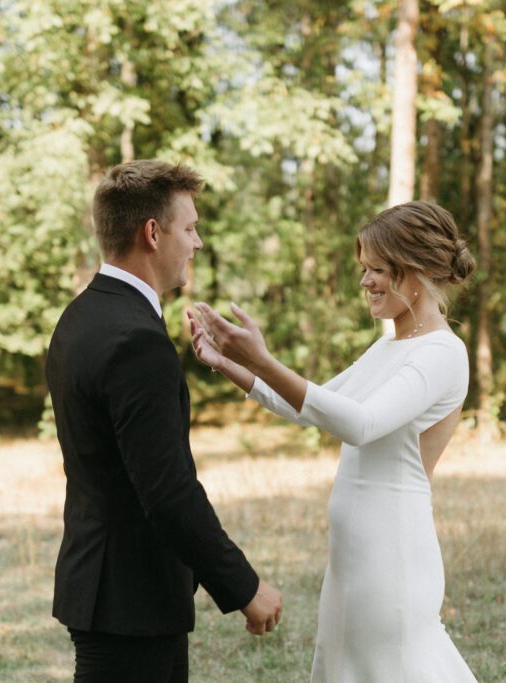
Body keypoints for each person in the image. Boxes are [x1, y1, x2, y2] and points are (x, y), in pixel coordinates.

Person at [190, 200, 478, 682]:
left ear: (421, 270)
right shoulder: (390, 344)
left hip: (393, 559)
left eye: (378, 270)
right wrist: (230, 364)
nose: (365, 282)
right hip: (353, 559)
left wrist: (262, 360)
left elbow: (359, 424)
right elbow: (310, 406)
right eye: (363, 269)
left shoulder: (442, 353)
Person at [46, 159, 282, 682]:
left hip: (101, 583)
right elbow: (167, 490)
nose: (196, 243)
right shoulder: (137, 340)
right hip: (132, 598)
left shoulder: (80, 317)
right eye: (191, 228)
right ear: (152, 233)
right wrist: (243, 586)